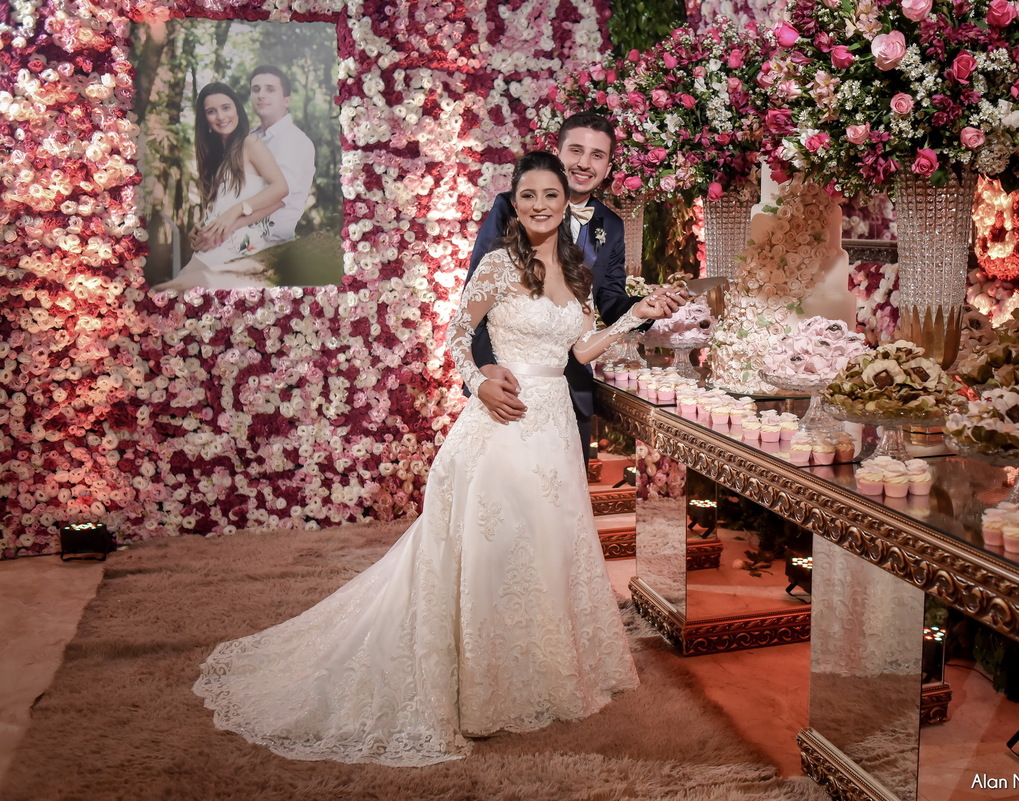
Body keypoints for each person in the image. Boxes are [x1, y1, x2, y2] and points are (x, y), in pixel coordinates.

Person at [192, 151, 674, 766]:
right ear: (515, 203)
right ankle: (481, 690)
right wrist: (478, 383)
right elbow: (454, 335)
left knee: (549, 547)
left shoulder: (576, 273)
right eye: (528, 195)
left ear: (564, 201)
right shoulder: (499, 266)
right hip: (504, 423)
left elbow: (580, 350)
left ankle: (540, 673)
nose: (540, 205)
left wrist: (635, 316)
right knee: (498, 552)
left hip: (554, 427)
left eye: (551, 195)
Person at [467, 111, 685, 462]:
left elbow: (610, 300)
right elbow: (474, 302)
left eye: (597, 155)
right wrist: (484, 374)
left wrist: (647, 308)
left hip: (570, 387)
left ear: (608, 166)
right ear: (557, 151)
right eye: (576, 151)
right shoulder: (510, 206)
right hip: (507, 385)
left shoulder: (610, 225)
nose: (584, 163)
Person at [153, 82, 289, 291]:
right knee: (169, 297)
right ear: (205, 119)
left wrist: (235, 213)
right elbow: (222, 206)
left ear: (237, 109)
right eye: (211, 111)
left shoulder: (250, 143)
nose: (221, 116)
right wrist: (202, 227)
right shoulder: (217, 157)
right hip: (213, 246)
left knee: (167, 293)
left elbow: (280, 190)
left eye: (226, 107)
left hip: (238, 245)